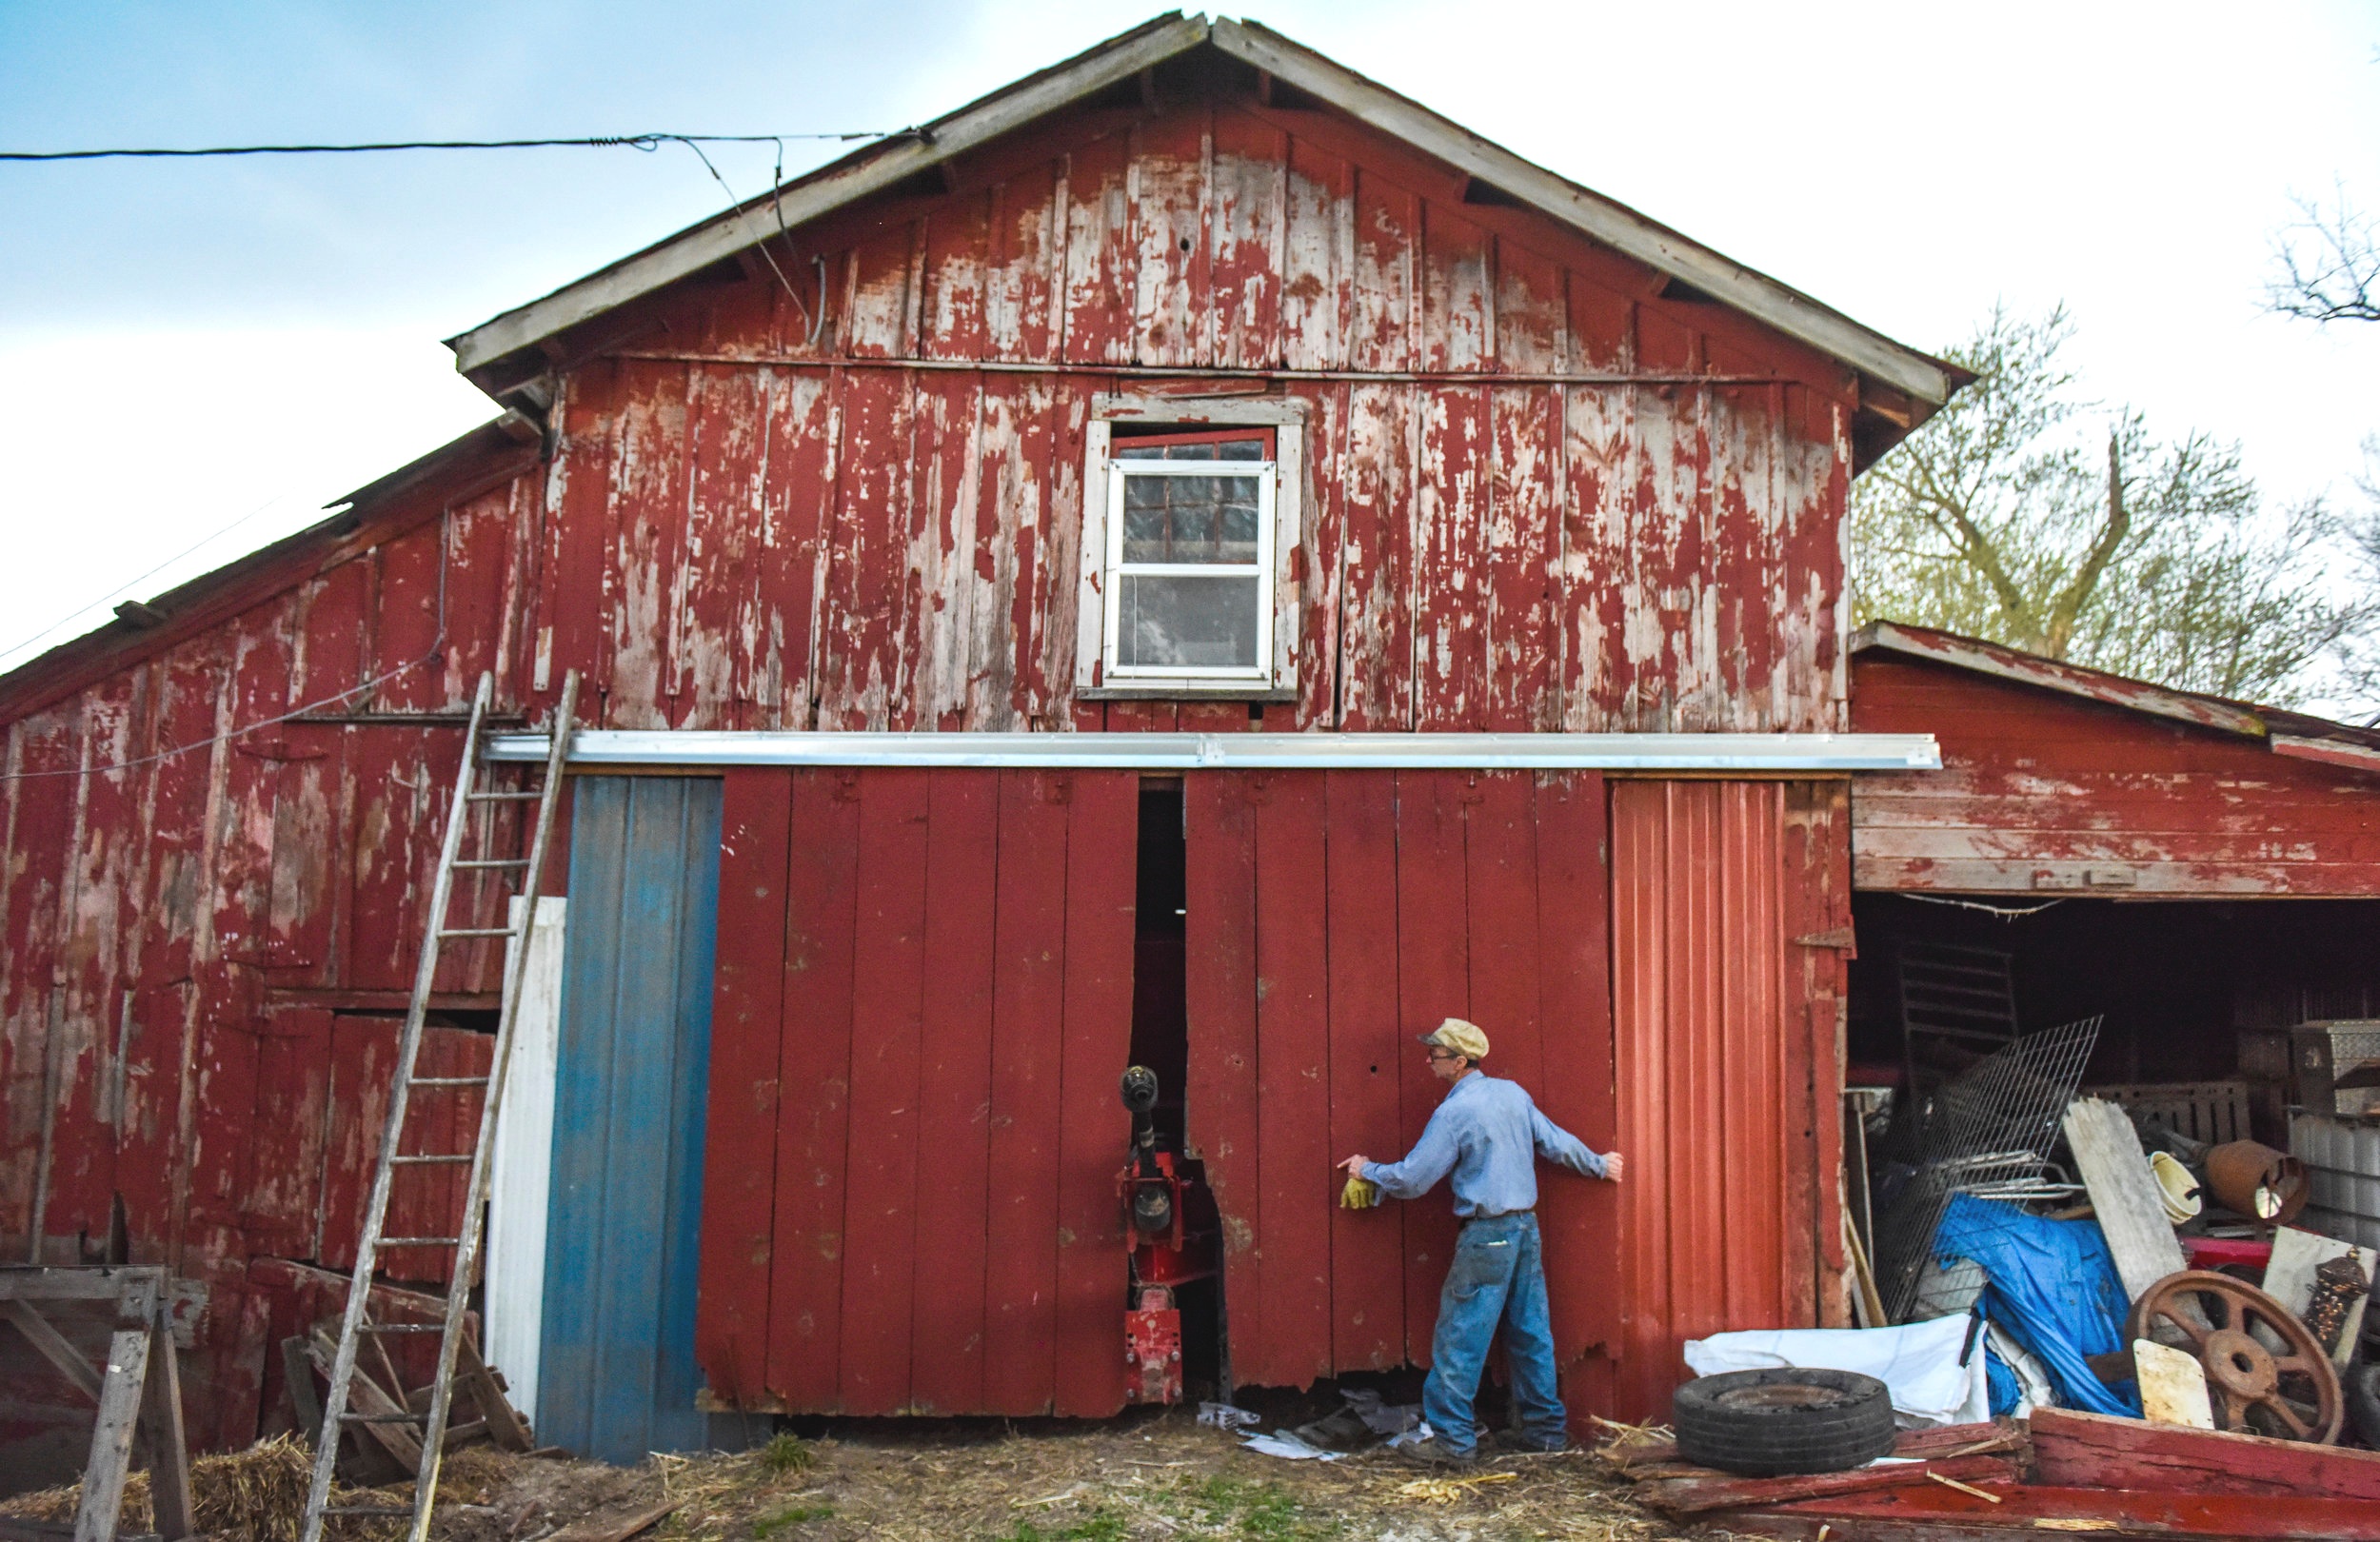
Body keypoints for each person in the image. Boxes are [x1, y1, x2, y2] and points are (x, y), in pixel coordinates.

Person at [1336, 1017, 1623, 1466]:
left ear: (1460, 1061)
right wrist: (1599, 1164)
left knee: (1460, 1338)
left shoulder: (1454, 1112)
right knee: (1531, 1334)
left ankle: (1453, 1443)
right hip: (1525, 1230)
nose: (1430, 1059)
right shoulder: (1512, 1094)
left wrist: (1366, 1170)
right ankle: (1546, 1434)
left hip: (1487, 1236)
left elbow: (1413, 1179)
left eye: (1436, 1053)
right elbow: (1553, 1141)